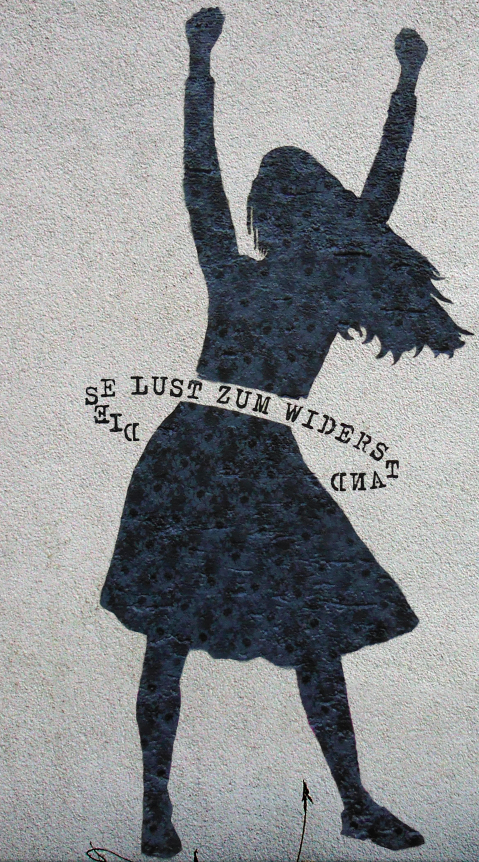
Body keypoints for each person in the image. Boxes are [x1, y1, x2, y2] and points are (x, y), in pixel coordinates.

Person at [100, 8, 470, 857]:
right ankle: (172, 809)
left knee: (222, 639)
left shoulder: (253, 274)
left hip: (211, 454)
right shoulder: (314, 282)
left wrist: (200, 65)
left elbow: (201, 172)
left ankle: (195, 808)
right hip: (216, 459)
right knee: (236, 639)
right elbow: (376, 186)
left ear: (270, 212)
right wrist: (405, 84)